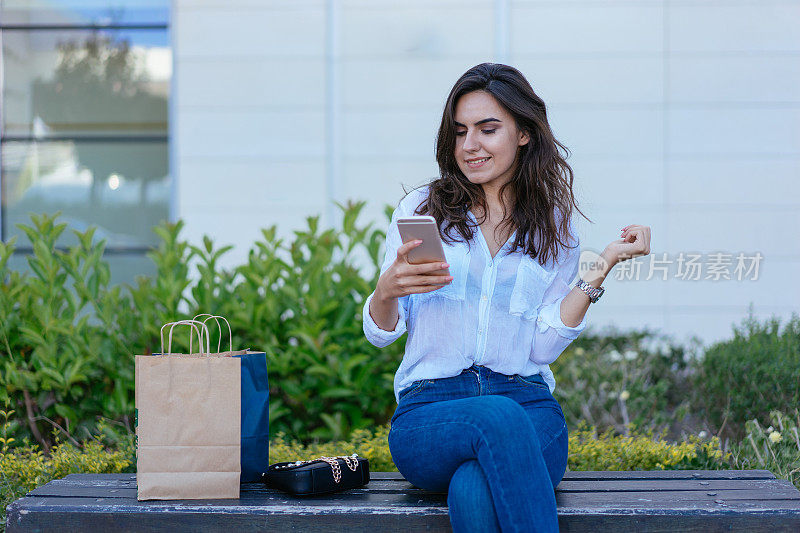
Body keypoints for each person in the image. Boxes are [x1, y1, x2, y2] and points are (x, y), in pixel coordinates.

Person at [362, 63, 651, 533]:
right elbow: (380, 333)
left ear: (523, 134)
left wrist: (602, 267)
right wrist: (385, 291)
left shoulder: (553, 225)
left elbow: (540, 348)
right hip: (432, 413)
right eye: (460, 132)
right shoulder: (421, 210)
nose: (469, 145)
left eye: (487, 129)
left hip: (528, 405)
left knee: (474, 486)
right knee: (495, 418)